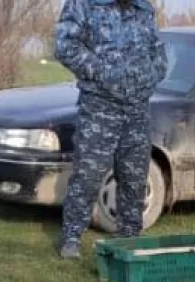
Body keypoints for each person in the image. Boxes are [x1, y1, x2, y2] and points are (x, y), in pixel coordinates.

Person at [54, 0, 168, 260]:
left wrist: (151, 75)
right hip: (100, 107)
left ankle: (129, 238)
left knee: (134, 176)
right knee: (88, 175)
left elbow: (157, 51)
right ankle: (72, 238)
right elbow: (64, 46)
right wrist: (104, 72)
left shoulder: (144, 9)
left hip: (137, 108)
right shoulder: (83, 5)